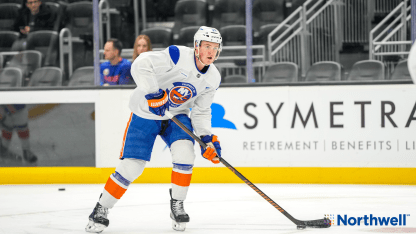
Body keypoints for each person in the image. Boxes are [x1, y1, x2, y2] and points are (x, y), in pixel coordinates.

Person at [85, 26, 223, 233]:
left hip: (176, 115)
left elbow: (202, 112)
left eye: (215, 47)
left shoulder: (213, 78)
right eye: (207, 46)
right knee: (132, 166)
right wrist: (153, 93)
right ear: (197, 46)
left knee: (186, 154)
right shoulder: (177, 55)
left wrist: (207, 138)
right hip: (145, 112)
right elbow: (141, 64)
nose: (211, 52)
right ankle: (101, 208)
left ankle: (177, 204)